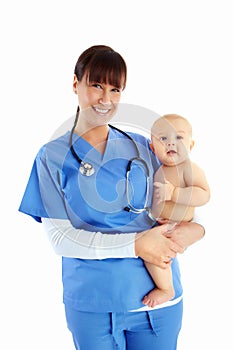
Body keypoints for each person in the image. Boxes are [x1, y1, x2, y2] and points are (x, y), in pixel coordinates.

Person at [19, 45, 206, 350]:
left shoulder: (146, 146)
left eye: (115, 89)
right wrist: (137, 245)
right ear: (76, 84)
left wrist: (187, 233)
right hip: (92, 303)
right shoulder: (51, 157)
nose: (106, 99)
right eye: (96, 85)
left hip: (156, 305)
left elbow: (194, 199)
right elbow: (61, 240)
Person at [142, 113, 210, 308]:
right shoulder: (159, 168)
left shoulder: (190, 169)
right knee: (152, 252)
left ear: (191, 145)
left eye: (178, 137)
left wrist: (175, 193)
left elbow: (204, 195)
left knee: (155, 256)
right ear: (153, 148)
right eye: (163, 139)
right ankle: (164, 286)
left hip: (177, 227)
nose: (171, 143)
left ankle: (166, 289)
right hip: (159, 224)